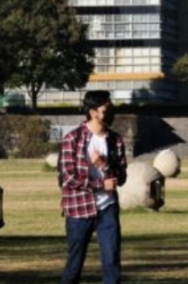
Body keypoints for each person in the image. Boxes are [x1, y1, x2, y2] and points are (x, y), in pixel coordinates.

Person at [59, 90, 127, 284]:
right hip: (79, 210)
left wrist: (103, 165)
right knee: (74, 265)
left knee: (112, 263)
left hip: (108, 209)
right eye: (106, 107)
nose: (110, 110)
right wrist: (100, 185)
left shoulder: (115, 140)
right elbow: (69, 178)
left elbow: (121, 177)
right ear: (93, 112)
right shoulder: (72, 139)